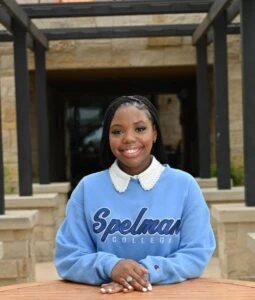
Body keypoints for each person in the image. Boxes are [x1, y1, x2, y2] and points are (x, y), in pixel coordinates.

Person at [54, 95, 215, 294]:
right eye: (117, 131)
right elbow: (68, 258)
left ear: (154, 132)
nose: (129, 138)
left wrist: (141, 273)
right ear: (107, 137)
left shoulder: (185, 186)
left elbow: (196, 253)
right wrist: (112, 267)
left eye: (140, 129)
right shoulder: (88, 188)